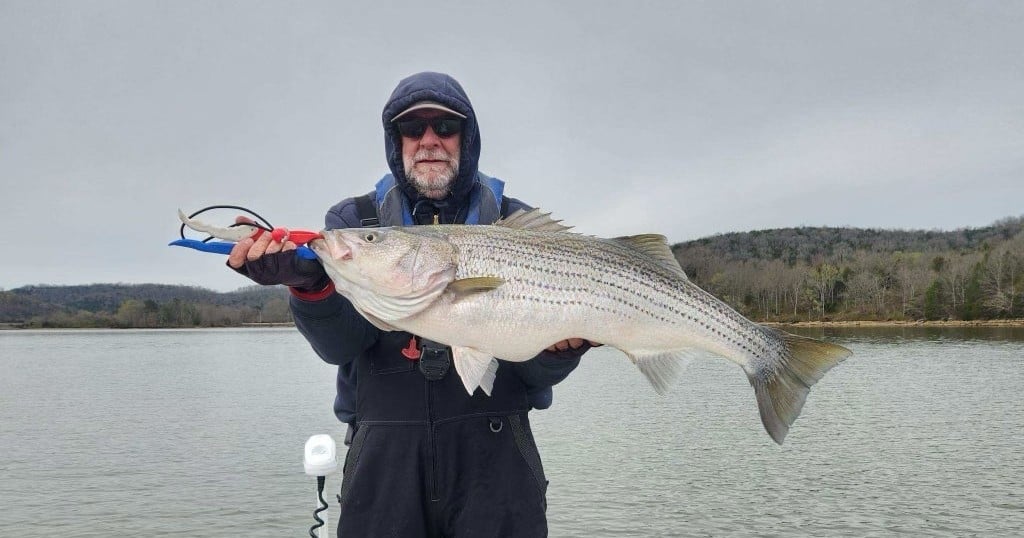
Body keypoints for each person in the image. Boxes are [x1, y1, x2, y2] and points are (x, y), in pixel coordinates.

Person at [227, 71, 594, 537]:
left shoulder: (514, 224)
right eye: (412, 128)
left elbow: (532, 376)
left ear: (468, 137)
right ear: (394, 141)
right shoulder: (352, 220)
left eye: (445, 127)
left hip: (498, 460)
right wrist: (308, 287)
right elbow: (340, 346)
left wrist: (559, 353)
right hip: (384, 460)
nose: (428, 140)